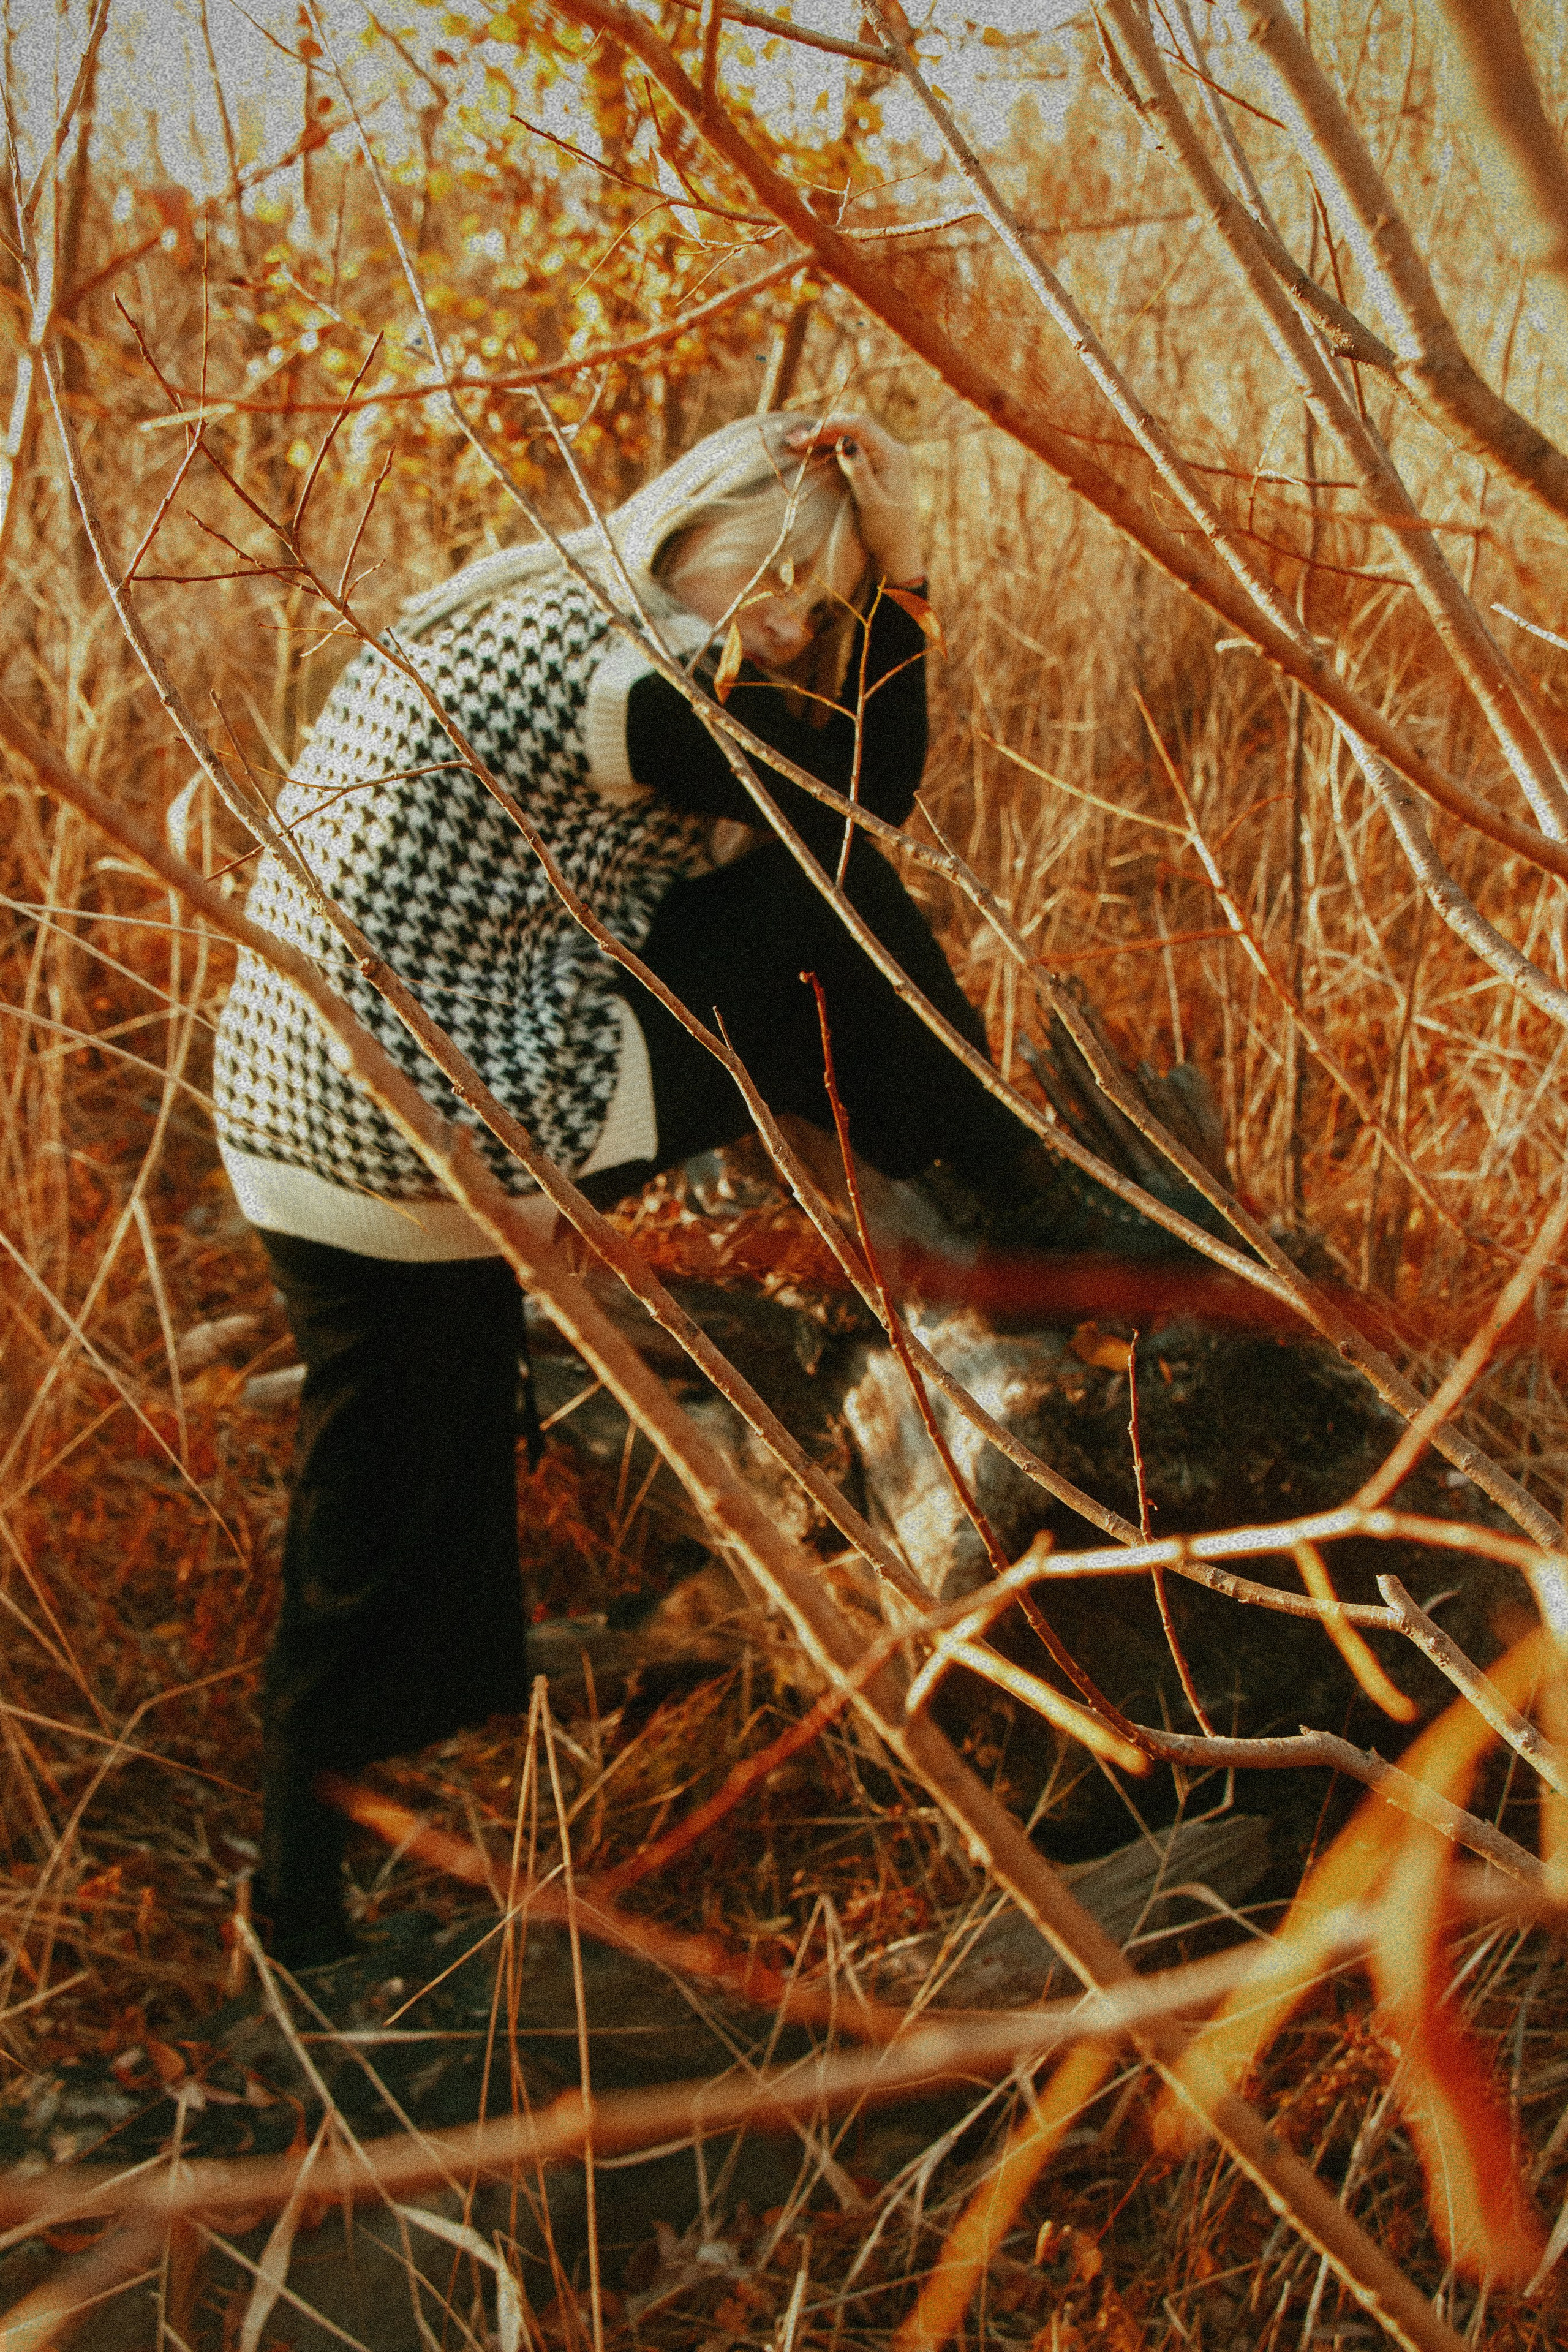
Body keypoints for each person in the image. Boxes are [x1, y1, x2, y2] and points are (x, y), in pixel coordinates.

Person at [211, 409, 1133, 1964]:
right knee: (816, 893)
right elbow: (865, 802)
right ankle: (1007, 1179)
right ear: (690, 510)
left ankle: (297, 1899)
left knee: (374, 1514)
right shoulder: (618, 679)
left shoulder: (537, 595)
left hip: (301, 1114)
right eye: (770, 570)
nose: (779, 618)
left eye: (816, 602)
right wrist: (905, 584)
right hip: (439, 1117)